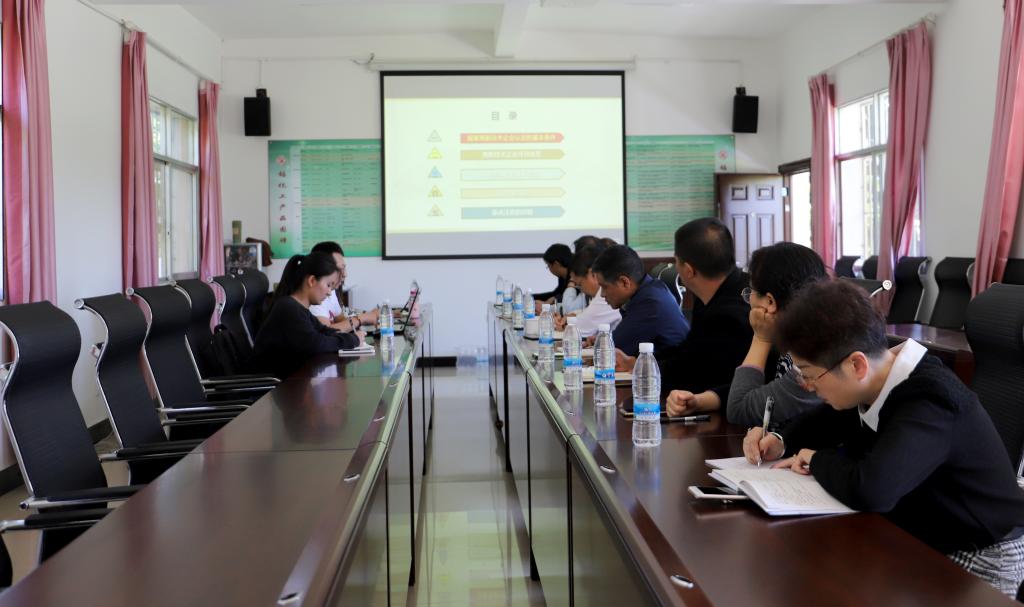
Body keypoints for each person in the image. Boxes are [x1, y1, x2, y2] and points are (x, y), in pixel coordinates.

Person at [743, 279, 1024, 597]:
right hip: (923, 530)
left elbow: (873, 489)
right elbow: (828, 420)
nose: (808, 386)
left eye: (809, 375)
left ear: (856, 364)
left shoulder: (930, 400)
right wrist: (779, 439)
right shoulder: (879, 376)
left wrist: (817, 460)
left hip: (982, 554)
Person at [617, 218, 751, 407]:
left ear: (688, 270)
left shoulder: (730, 314)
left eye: (676, 262)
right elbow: (689, 350)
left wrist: (645, 370)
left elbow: (694, 373)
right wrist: (639, 363)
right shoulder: (716, 293)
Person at [722, 242, 827, 427]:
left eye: (751, 291)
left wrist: (760, 339)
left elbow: (739, 409)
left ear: (769, 302)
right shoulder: (804, 332)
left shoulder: (812, 357)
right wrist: (709, 398)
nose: (749, 298)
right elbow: (763, 388)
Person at [250, 252, 364, 378]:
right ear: (312, 281)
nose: (329, 293)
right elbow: (316, 344)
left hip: (288, 380)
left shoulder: (298, 308)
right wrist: (353, 340)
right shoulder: (288, 308)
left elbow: (323, 331)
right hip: (273, 385)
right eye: (328, 285)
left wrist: (349, 336)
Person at [590, 244, 688, 356]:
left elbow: (609, 350)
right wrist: (601, 340)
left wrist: (602, 342)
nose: (602, 294)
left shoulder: (650, 305)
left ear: (624, 282)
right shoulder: (650, 290)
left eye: (604, 287)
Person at [308, 241, 378, 332]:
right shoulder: (315, 296)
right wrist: (362, 318)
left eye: (344, 268)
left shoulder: (330, 291)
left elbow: (340, 319)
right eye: (339, 269)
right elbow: (326, 332)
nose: (345, 274)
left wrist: (368, 315)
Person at [553, 244, 620, 337]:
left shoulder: (608, 293)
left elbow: (580, 330)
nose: (582, 291)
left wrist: (565, 325)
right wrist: (574, 315)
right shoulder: (606, 289)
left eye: (580, 284)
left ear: (593, 274)